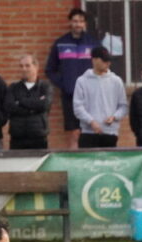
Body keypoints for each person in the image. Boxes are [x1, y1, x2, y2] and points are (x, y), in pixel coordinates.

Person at [46, 7, 101, 148]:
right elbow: (50, 70)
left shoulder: (93, 44)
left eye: (81, 21)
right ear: (70, 23)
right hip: (70, 95)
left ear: (85, 24)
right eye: (75, 21)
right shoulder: (60, 43)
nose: (78, 24)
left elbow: (103, 67)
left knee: (90, 131)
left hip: (91, 95)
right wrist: (64, 84)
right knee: (74, 133)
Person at [73, 46, 128, 148]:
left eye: (108, 60)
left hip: (110, 133)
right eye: (104, 60)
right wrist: (91, 121)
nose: (107, 63)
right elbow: (78, 107)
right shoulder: (82, 81)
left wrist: (114, 117)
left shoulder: (116, 81)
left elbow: (123, 106)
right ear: (94, 60)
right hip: (88, 133)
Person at [4, 54, 53, 150]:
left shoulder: (45, 87)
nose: (24, 69)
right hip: (17, 138)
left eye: (27, 65)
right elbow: (9, 107)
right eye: (21, 66)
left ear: (36, 67)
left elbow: (44, 105)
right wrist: (34, 108)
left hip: (38, 136)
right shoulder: (13, 88)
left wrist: (20, 102)